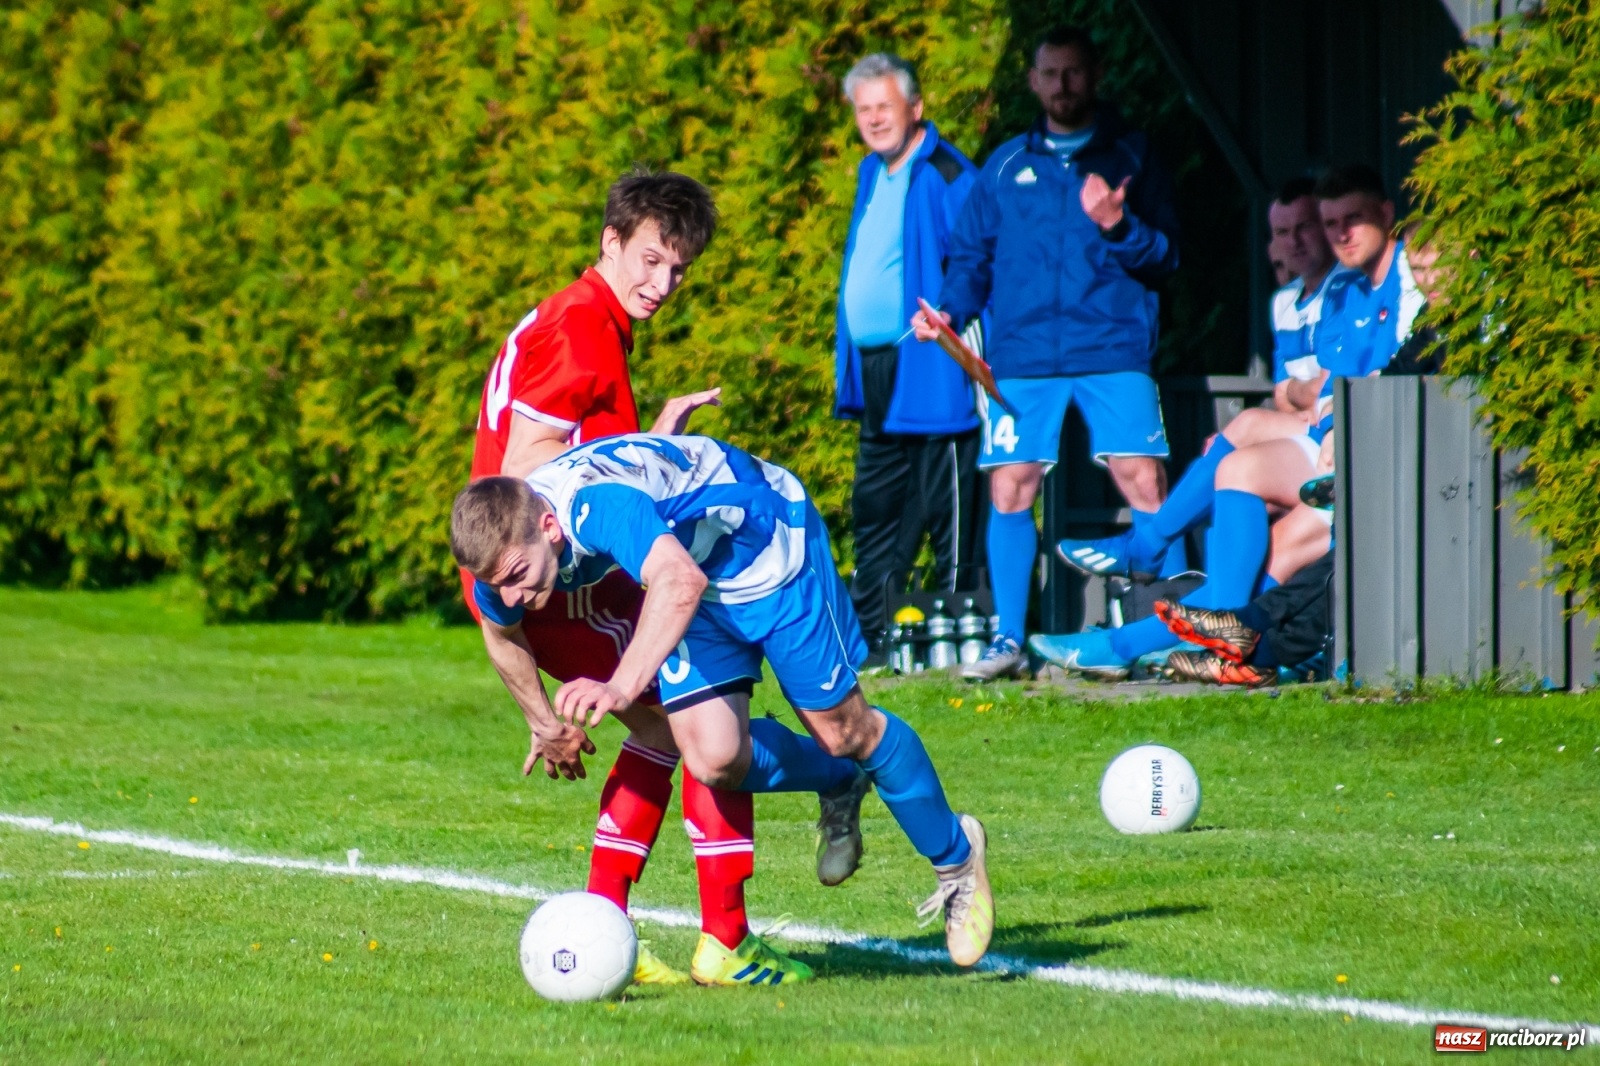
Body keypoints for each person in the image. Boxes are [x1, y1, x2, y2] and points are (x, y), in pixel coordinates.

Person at [452, 434, 995, 982]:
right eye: (500, 582)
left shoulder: (598, 507)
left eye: (518, 577)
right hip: (699, 577)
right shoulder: (507, 550)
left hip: (766, 547)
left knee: (846, 731)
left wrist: (618, 687)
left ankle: (956, 856)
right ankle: (841, 780)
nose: (514, 594)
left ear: (549, 528)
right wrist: (543, 724)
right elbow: (501, 632)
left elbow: (677, 580)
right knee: (715, 758)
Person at [463, 170, 753, 986]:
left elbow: (575, 461)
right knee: (705, 730)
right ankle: (726, 941)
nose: (662, 285)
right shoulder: (584, 327)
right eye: (650, 260)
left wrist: (651, 442)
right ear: (610, 243)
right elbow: (526, 474)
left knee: (668, 732)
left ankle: (608, 924)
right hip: (551, 582)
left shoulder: (580, 317)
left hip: (520, 580)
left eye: (679, 270)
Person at [1032, 165, 1422, 680]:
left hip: (1384, 451)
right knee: (1235, 470)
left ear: (1387, 214)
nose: (1340, 235)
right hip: (1339, 442)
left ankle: (1134, 633)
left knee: (1263, 538)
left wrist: (1326, 414)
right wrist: (1326, 417)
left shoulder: (1408, 276)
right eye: (1331, 223)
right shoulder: (1345, 287)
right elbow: (1327, 389)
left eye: (1353, 219)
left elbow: (1377, 381)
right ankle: (1183, 627)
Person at [913, 25, 1181, 681]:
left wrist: (1118, 226)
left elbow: (1167, 255)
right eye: (1050, 73)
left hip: (1113, 346)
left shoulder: (1132, 157)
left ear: (1093, 76)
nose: (1063, 85)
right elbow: (969, 257)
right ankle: (1009, 640)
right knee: (1011, 485)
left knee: (1143, 480)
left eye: (1073, 73)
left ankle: (1178, 631)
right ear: (1033, 82)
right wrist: (950, 313)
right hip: (1024, 356)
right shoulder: (1005, 164)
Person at [1052, 177, 1339, 581]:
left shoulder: (1343, 288)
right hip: (1308, 430)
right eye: (1281, 232)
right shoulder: (1283, 303)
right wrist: (1298, 395)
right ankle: (1194, 600)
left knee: (1248, 429)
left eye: (1304, 227)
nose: (1294, 242)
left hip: (1334, 438)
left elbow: (1325, 389)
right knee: (1225, 463)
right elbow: (1285, 393)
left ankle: (1153, 552)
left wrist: (1297, 397)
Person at [834, 53, 985, 666]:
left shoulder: (949, 174)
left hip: (930, 364)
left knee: (946, 503)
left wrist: (945, 314)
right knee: (874, 508)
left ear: (915, 109)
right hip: (874, 370)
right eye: (864, 109)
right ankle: (874, 640)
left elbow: (976, 260)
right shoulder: (873, 172)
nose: (874, 119)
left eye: (884, 107)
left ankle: (958, 634)